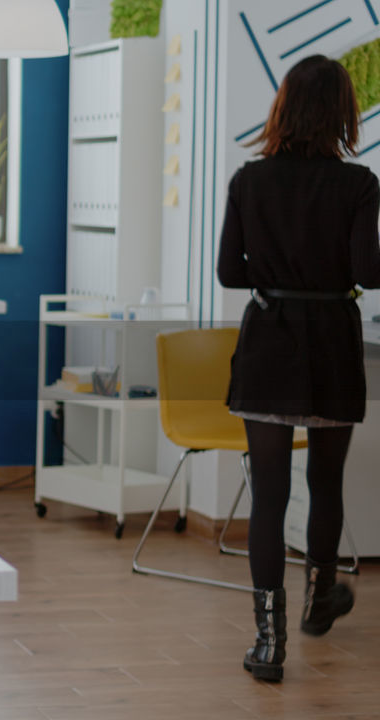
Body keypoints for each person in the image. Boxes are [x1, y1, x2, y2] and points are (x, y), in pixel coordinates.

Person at [218, 54, 380, 683]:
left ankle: (268, 642)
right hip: (333, 345)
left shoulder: (248, 181)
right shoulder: (359, 184)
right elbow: (369, 272)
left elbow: (232, 273)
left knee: (269, 497)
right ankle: (320, 598)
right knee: (326, 482)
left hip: (269, 343)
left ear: (282, 107)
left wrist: (281, 278)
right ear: (343, 112)